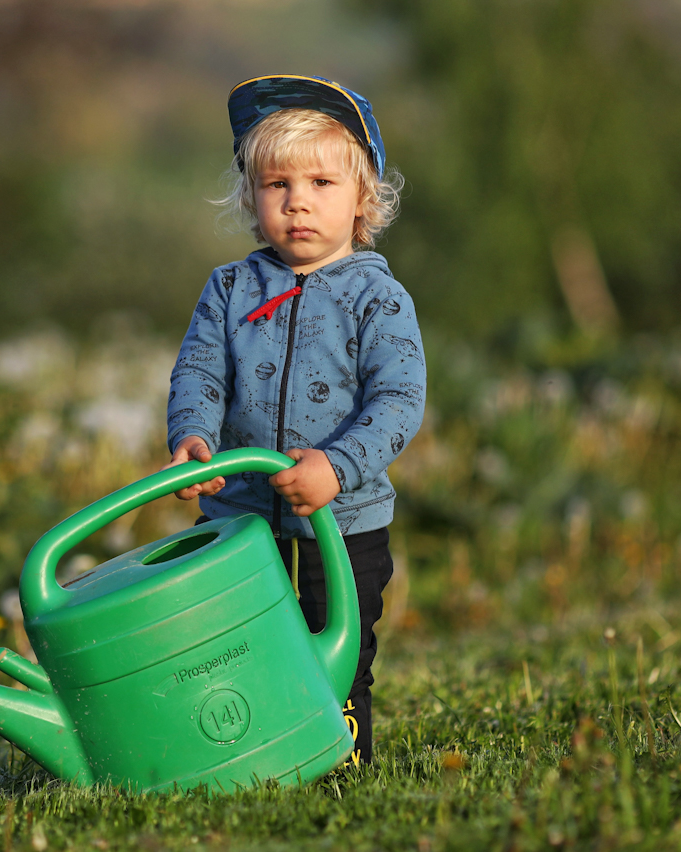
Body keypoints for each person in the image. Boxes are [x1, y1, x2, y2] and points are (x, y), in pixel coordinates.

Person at [164, 74, 425, 765]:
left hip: (344, 526)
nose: (298, 202)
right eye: (277, 185)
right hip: (238, 519)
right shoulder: (229, 289)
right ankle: (245, 758)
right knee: (233, 646)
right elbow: (198, 373)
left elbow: (397, 401)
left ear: (364, 198)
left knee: (335, 653)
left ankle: (341, 764)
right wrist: (191, 438)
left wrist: (335, 468)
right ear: (251, 198)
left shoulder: (380, 298)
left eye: (320, 184)